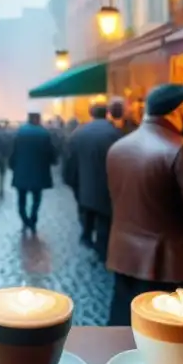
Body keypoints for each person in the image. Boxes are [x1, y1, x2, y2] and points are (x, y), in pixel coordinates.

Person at [105, 83, 183, 326]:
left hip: (125, 256)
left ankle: (120, 362)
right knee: (174, 334)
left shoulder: (118, 147)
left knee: (127, 327)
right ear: (176, 110)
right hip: (168, 264)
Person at [63, 102, 122, 261]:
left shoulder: (78, 133)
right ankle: (102, 248)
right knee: (104, 217)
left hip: (84, 183)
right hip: (107, 183)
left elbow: (70, 160)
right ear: (107, 113)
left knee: (86, 212)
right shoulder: (115, 133)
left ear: (91, 113)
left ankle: (87, 236)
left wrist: (70, 180)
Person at [9, 111, 58, 233]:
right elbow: (50, 152)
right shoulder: (44, 133)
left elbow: (13, 151)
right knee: (37, 198)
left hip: (21, 170)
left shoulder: (20, 133)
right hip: (39, 170)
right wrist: (53, 161)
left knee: (21, 198)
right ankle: (33, 217)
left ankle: (24, 219)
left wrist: (12, 165)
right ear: (38, 119)